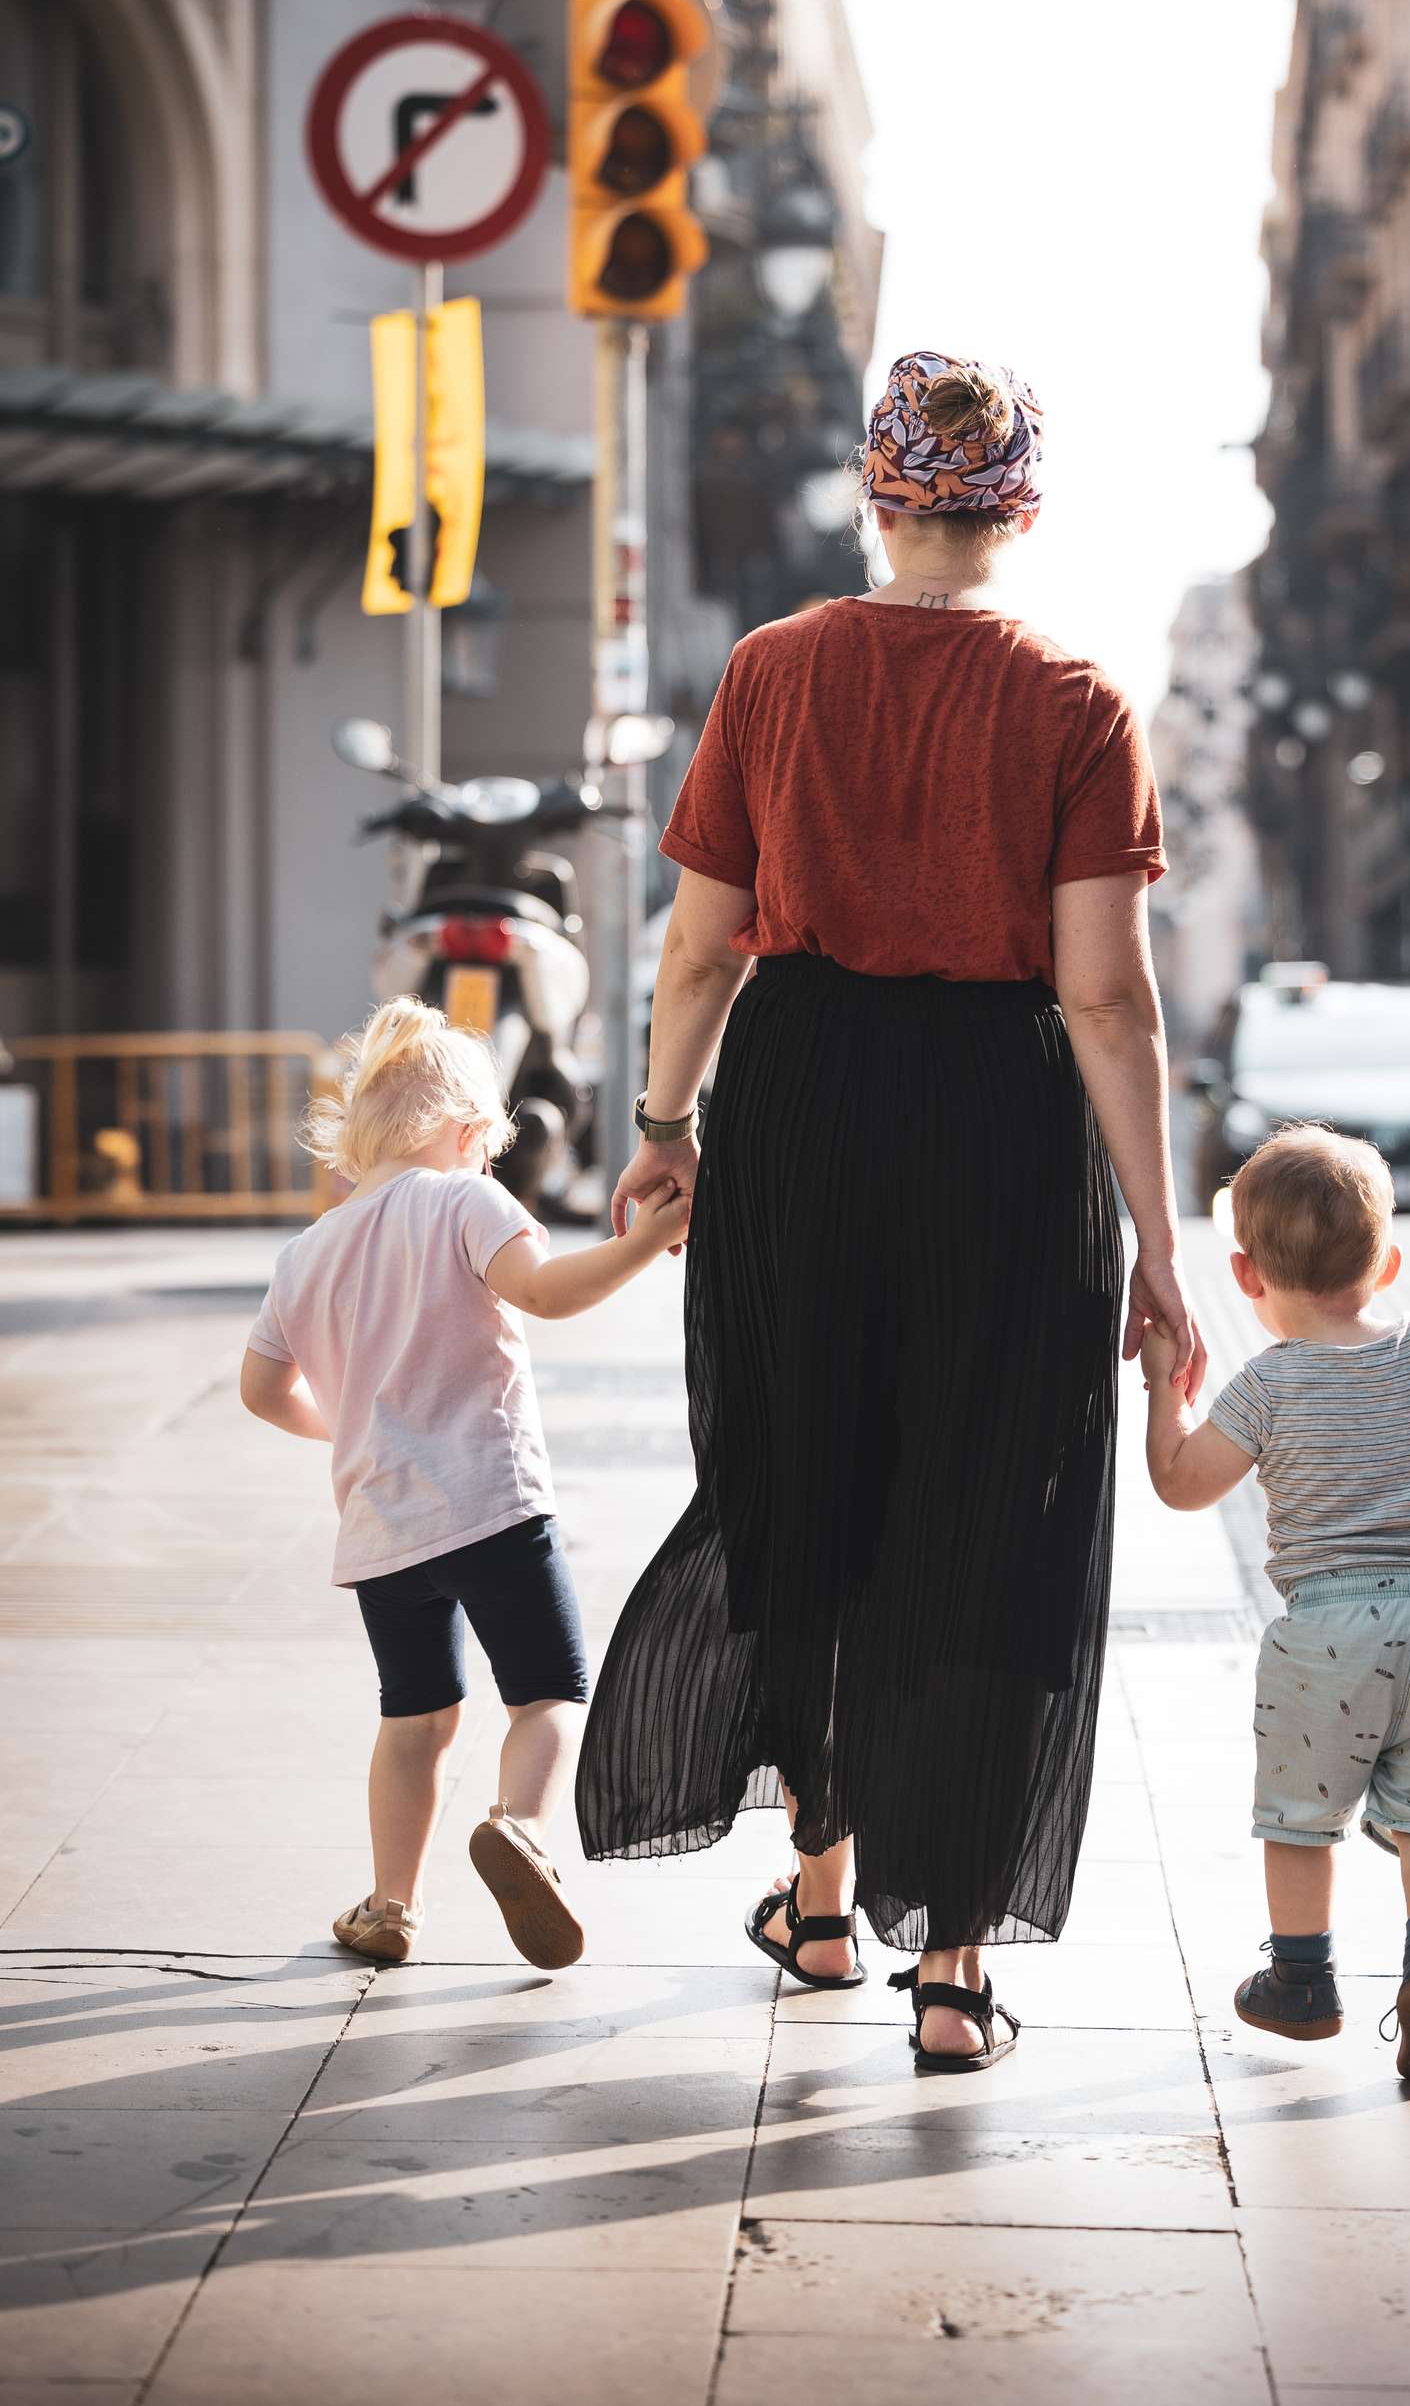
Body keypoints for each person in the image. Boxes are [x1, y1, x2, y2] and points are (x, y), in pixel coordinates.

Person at [579, 347, 1204, 2073]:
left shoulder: (773, 672)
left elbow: (701, 947)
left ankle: (822, 1900)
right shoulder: (1077, 701)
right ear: (1023, 510)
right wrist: (1160, 1242)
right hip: (1004, 1118)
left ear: (876, 494)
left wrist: (665, 1127)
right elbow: (1107, 998)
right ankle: (956, 1974)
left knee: (812, 1484)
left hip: (802, 1103)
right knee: (991, 1514)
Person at [240, 997, 688, 1970]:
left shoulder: (304, 1255)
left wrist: (344, 1428)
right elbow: (546, 1294)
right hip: (491, 1503)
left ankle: (390, 1906)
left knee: (415, 1717)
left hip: (380, 1526)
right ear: (470, 1130)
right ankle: (520, 1828)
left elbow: (262, 1389)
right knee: (549, 1694)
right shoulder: (464, 1203)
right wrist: (645, 1242)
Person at [1140, 1124, 1410, 2087]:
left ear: (1246, 1276)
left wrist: (1162, 1390)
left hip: (1329, 1633)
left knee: (1301, 1816)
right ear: (1387, 1265)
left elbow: (1181, 1484)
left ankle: (1302, 1980)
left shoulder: (1267, 1383)